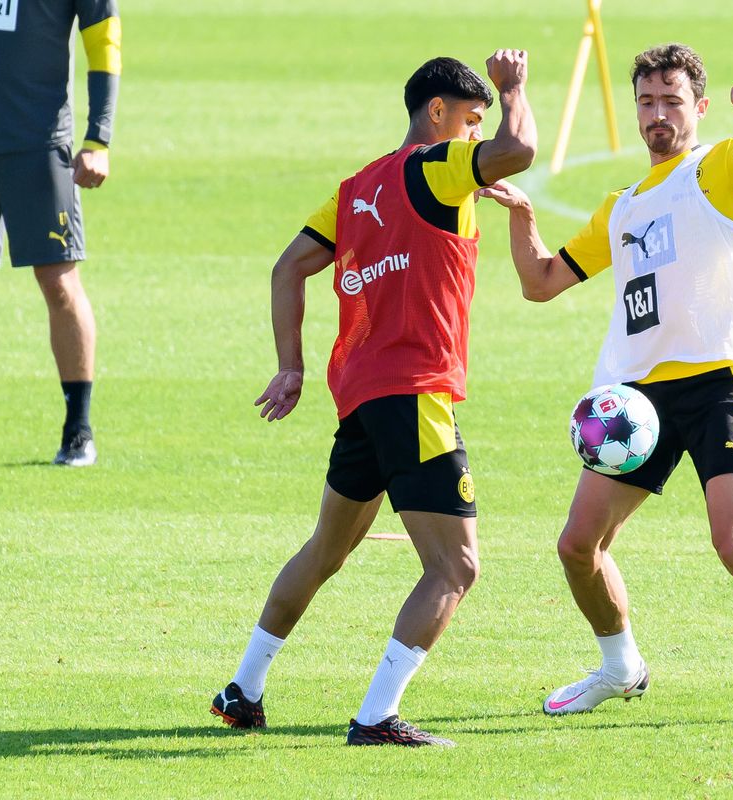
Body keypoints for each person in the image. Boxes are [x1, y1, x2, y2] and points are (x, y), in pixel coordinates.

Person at [480, 43, 733, 724]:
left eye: (671, 101)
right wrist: (522, 217)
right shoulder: (621, 208)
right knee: (576, 546)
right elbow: (541, 284)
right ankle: (620, 666)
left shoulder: (726, 163)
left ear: (699, 107)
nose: (657, 115)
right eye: (646, 101)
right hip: (634, 401)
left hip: (718, 384)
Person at [209, 51, 536, 747]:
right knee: (456, 567)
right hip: (415, 395)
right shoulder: (438, 168)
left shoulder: (356, 190)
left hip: (360, 397)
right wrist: (513, 90)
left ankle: (244, 688)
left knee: (325, 550)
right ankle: (376, 715)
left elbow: (287, 266)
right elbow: (521, 150)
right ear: (437, 114)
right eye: (470, 121)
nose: (476, 136)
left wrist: (290, 367)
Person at [0, 0, 122, 466]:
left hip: (38, 145)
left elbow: (104, 40)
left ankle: (79, 429)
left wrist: (99, 137)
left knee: (58, 281)